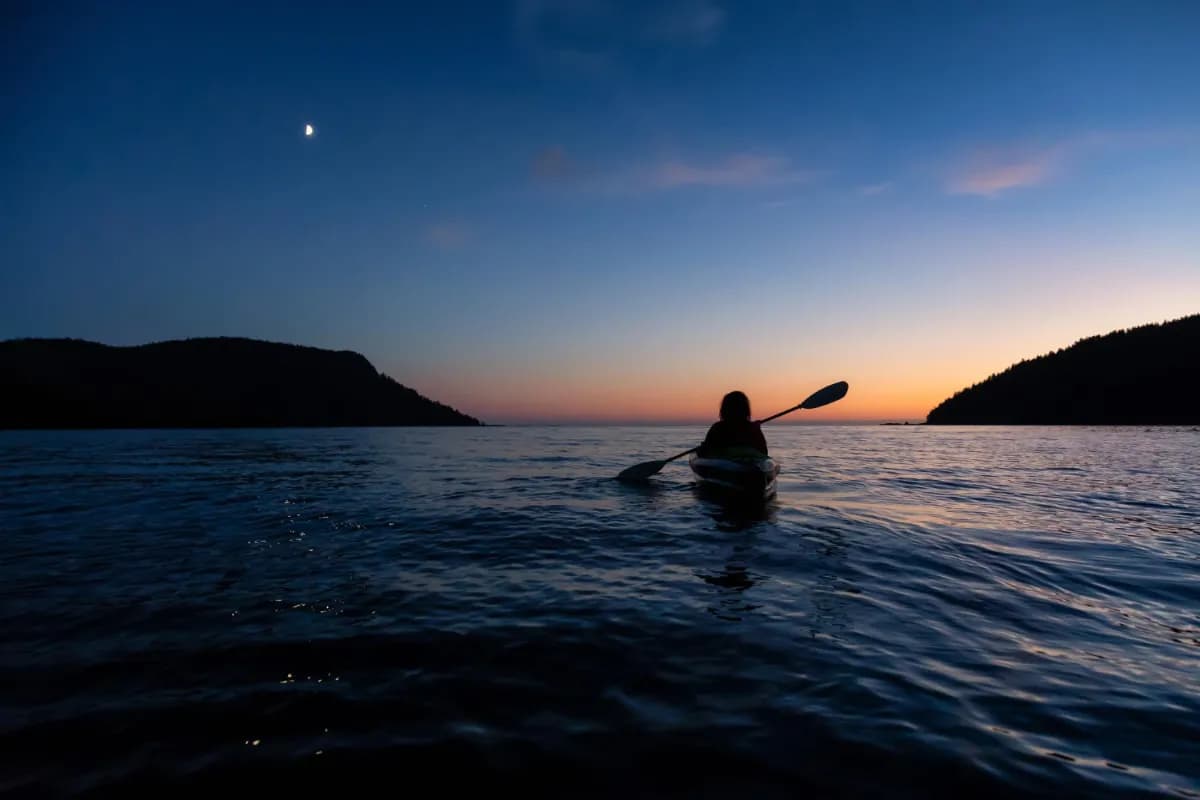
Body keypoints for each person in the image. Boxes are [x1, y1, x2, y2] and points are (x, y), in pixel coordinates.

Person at [697, 390, 768, 457]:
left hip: (722, 467)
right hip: (746, 467)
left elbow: (705, 451)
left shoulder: (717, 427)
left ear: (724, 410)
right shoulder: (752, 428)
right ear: (746, 410)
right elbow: (763, 452)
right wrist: (755, 429)